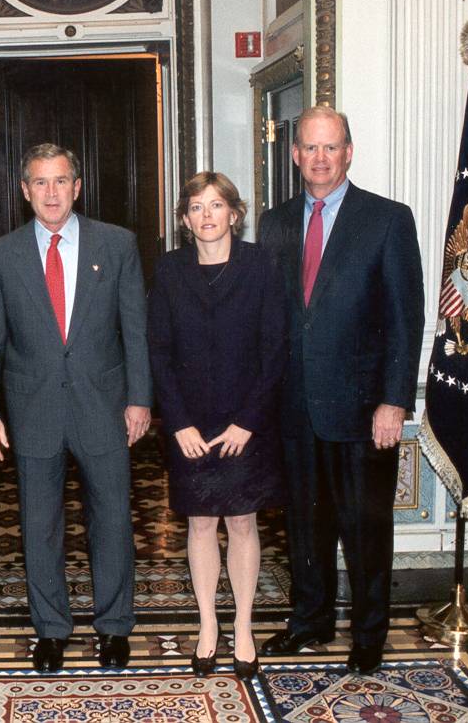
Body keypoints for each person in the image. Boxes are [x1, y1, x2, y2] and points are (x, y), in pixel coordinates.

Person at [0, 142, 153, 672]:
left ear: (77, 186)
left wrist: (141, 398)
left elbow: (135, 330)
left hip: (105, 405)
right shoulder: (0, 254)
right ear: (25, 191)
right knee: (39, 523)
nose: (52, 193)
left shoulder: (117, 244)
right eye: (40, 183)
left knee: (113, 519)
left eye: (61, 181)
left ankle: (114, 626)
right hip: (32, 411)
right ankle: (50, 629)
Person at [257, 107, 424, 674]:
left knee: (365, 527)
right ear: (296, 155)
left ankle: (369, 634)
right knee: (304, 527)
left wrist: (394, 400)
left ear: (348, 152)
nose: (321, 158)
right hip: (294, 408)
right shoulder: (274, 223)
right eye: (310, 147)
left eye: (332, 147)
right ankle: (310, 621)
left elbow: (406, 318)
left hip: (362, 410)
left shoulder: (387, 220)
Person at [147, 172, 287, 680]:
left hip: (244, 423)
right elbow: (158, 351)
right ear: (185, 220)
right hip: (190, 424)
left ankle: (244, 627)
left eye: (217, 205)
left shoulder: (262, 265)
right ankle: (208, 626)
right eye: (196, 207)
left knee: (242, 522)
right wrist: (177, 422)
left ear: (235, 213)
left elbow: (275, 350)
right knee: (200, 522)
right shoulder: (168, 270)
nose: (207, 215)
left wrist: (248, 422)